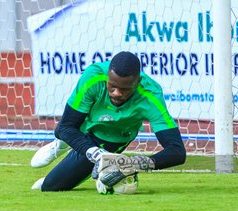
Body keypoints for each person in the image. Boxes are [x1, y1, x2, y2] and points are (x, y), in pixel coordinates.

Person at [31, 51, 186, 192]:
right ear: (107, 77)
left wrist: (133, 164)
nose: (116, 93)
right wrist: (98, 155)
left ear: (138, 82)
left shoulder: (151, 95)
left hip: (115, 136)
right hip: (84, 125)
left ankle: (74, 150)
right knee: (65, 133)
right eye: (112, 86)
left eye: (124, 89)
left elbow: (177, 152)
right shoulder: (94, 76)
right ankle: (62, 144)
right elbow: (64, 127)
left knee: (50, 186)